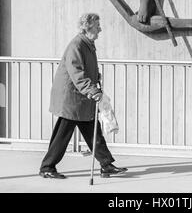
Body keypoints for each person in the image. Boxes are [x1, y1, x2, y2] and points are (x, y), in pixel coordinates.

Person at [39, 13, 127, 179]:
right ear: (87, 27)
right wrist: (93, 90)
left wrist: (96, 77)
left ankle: (106, 164)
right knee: (62, 135)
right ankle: (47, 167)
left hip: (82, 99)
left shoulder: (87, 44)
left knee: (94, 132)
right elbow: (77, 73)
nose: (100, 29)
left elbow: (86, 68)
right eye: (97, 26)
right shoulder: (77, 45)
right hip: (72, 99)